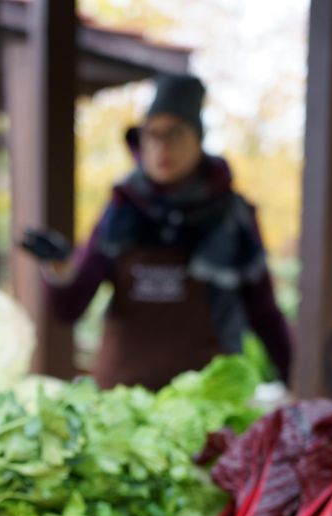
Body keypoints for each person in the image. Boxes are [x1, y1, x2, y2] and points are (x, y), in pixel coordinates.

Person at [20, 73, 293, 390]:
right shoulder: (120, 210)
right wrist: (61, 266)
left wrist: (293, 375)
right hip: (123, 400)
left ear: (198, 139)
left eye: (174, 134)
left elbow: (263, 311)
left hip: (204, 400)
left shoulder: (232, 216)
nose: (162, 147)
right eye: (152, 135)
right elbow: (70, 308)